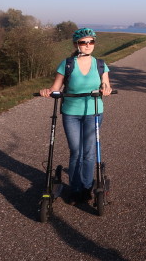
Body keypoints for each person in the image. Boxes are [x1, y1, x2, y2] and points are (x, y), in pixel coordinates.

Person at [40, 27, 112, 205]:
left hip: (93, 111)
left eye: (91, 42)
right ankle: (76, 188)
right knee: (76, 152)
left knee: (88, 153)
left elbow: (106, 85)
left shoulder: (101, 64)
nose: (88, 45)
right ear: (76, 44)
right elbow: (55, 88)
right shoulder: (67, 64)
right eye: (83, 42)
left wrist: (106, 89)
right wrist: (47, 91)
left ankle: (86, 188)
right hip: (71, 113)